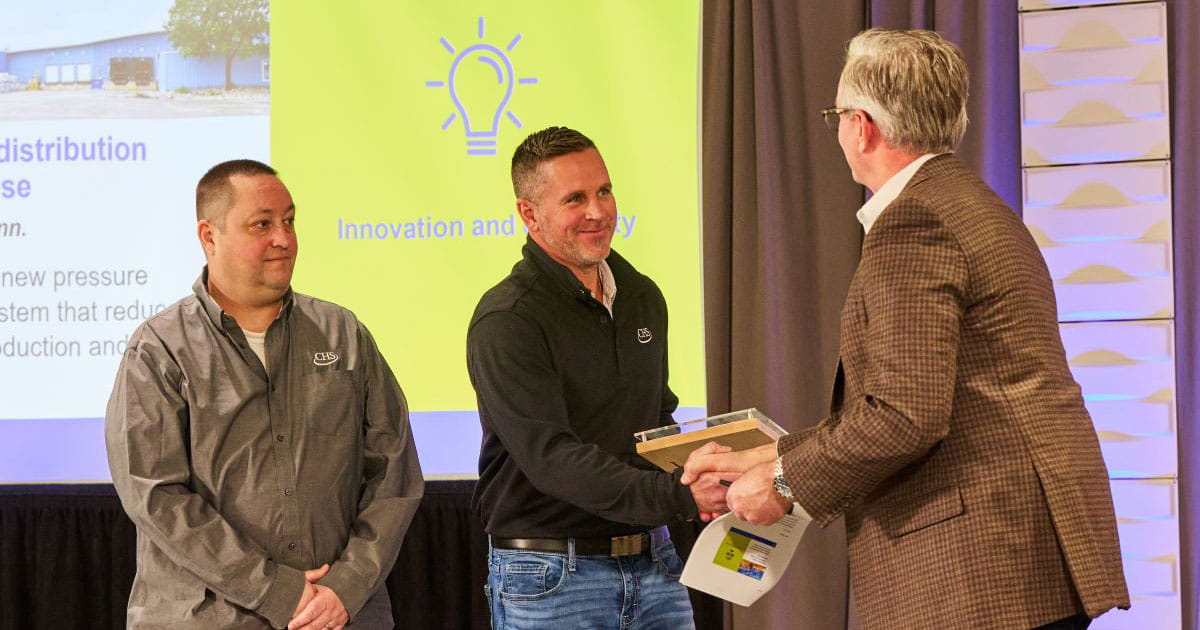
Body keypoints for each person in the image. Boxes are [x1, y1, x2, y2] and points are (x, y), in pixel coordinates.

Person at [683, 29, 1130, 630]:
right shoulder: (974, 205)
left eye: (836, 115)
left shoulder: (914, 222)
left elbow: (903, 415)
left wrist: (783, 483)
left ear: (860, 125)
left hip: (979, 572)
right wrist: (769, 458)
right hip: (1020, 559)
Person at [105, 159, 424, 629]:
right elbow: (156, 495)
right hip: (207, 618)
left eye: (289, 221)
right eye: (262, 224)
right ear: (209, 237)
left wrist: (347, 584)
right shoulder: (159, 350)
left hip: (342, 616)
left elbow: (392, 473)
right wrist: (276, 590)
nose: (284, 238)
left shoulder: (343, 334)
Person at [466, 126, 728, 629]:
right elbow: (552, 459)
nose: (598, 211)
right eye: (575, 199)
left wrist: (703, 466)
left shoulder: (641, 296)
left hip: (654, 563)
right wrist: (681, 495)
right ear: (529, 214)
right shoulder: (508, 320)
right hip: (550, 578)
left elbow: (654, 420)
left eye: (604, 191)